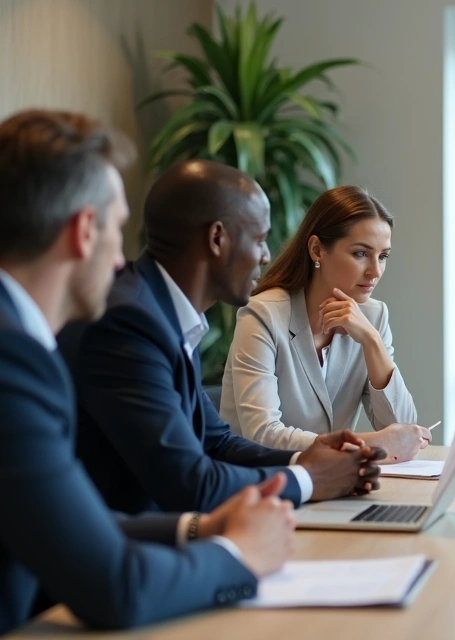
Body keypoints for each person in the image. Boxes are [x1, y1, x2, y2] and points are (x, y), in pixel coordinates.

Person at [0, 109, 294, 633]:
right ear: (84, 231)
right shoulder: (12, 362)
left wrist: (198, 528)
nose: (122, 261)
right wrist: (240, 555)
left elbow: (65, 518)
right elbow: (118, 587)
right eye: (117, 228)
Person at [60, 159, 386, 516]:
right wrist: (309, 479)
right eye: (259, 239)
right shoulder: (131, 322)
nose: (265, 256)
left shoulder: (163, 312)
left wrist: (307, 456)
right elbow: (190, 483)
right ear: (217, 239)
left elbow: (217, 442)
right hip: (130, 552)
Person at [220, 185, 426, 463]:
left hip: (331, 486)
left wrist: (372, 341)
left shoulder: (374, 317)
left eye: (383, 256)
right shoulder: (262, 315)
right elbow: (262, 434)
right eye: (361, 254)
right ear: (317, 249)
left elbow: (402, 429)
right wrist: (366, 443)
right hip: (261, 484)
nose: (375, 271)